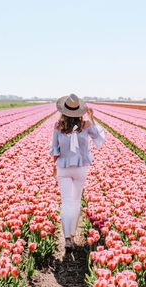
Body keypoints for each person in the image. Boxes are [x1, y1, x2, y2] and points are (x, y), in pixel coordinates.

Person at [49, 94, 105, 252]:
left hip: (63, 167)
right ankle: (72, 234)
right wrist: (92, 118)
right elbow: (99, 138)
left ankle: (67, 237)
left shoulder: (58, 126)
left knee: (66, 201)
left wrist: (54, 166)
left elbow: (55, 149)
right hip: (80, 168)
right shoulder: (85, 125)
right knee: (75, 200)